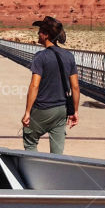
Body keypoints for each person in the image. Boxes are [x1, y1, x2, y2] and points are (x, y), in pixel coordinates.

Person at [21, 16, 80, 153]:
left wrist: (28, 112)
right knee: (57, 151)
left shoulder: (40, 57)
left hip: (43, 108)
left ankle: (34, 169)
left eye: (40, 31)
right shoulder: (68, 56)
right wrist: (75, 111)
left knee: (30, 140)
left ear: (46, 35)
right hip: (61, 109)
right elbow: (75, 87)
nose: (38, 34)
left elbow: (34, 86)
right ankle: (55, 170)